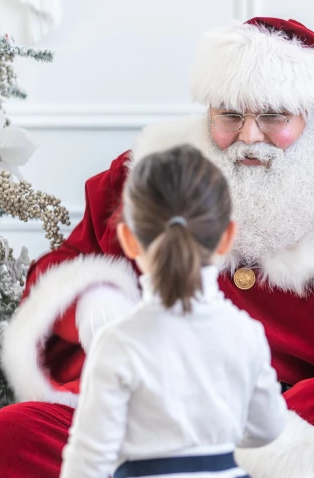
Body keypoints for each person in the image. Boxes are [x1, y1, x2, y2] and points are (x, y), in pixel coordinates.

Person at [0, 17, 314, 478]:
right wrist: (94, 302)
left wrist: (279, 438)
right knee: (11, 437)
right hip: (156, 411)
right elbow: (61, 273)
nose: (248, 136)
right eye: (229, 115)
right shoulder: (150, 175)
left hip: (311, 420)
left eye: (273, 115)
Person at [59, 145, 286, 478]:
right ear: (226, 239)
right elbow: (268, 428)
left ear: (129, 240)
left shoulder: (118, 342)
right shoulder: (246, 332)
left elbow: (89, 461)